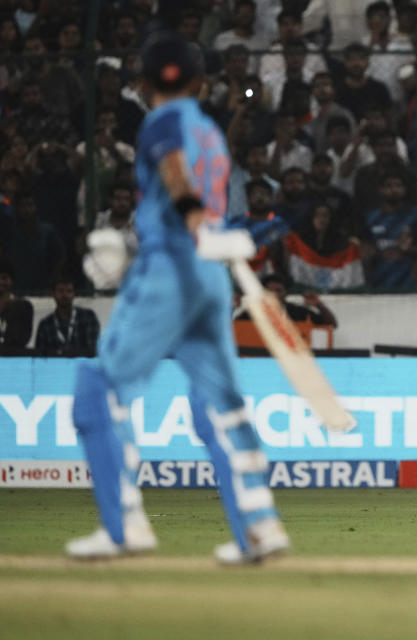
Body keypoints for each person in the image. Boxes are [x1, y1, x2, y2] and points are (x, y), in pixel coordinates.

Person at [66, 32, 289, 565]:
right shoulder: (211, 131)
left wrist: (189, 224)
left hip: (170, 269)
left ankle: (123, 529)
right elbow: (186, 189)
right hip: (210, 275)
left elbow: (172, 172)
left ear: (142, 84)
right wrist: (186, 231)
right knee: (221, 405)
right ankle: (259, 527)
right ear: (201, 81)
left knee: (98, 389)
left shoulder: (161, 121)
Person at [34, 275, 100, 357]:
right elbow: (40, 356)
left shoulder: (88, 317)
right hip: (55, 368)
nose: (65, 295)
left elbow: (94, 351)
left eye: (69, 291)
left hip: (82, 367)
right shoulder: (45, 324)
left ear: (74, 294)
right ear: (53, 294)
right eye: (61, 291)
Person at [0, 258, 33, 355]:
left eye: (4, 278)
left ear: (11, 280)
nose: (0, 282)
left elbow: (23, 339)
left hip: (13, 361)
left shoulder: (23, 308)